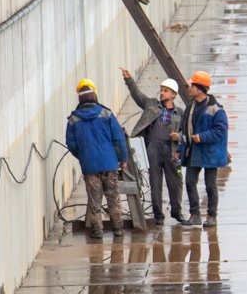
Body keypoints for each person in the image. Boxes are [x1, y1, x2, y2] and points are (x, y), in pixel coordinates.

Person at [120, 67, 190, 226]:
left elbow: (187, 133)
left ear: (173, 95)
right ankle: (158, 215)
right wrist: (129, 79)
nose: (162, 93)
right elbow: (137, 96)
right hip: (153, 149)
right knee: (155, 182)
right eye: (161, 90)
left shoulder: (180, 113)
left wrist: (178, 137)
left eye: (166, 91)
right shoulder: (151, 104)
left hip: (171, 151)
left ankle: (177, 213)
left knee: (176, 183)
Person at [64, 79, 130, 238]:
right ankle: (118, 228)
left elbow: (71, 143)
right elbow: (119, 138)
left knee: (95, 200)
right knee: (113, 197)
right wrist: (123, 158)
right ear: (94, 94)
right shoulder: (106, 114)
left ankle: (97, 230)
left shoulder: (73, 119)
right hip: (109, 163)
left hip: (90, 166)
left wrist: (83, 156)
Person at [182, 70, 229, 229]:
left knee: (210, 186)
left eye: (192, 86)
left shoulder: (216, 109)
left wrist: (202, 137)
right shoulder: (190, 107)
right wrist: (181, 148)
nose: (189, 88)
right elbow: (185, 130)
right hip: (194, 152)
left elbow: (221, 130)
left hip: (209, 153)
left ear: (199, 88)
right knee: (189, 182)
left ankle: (211, 215)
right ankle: (195, 215)